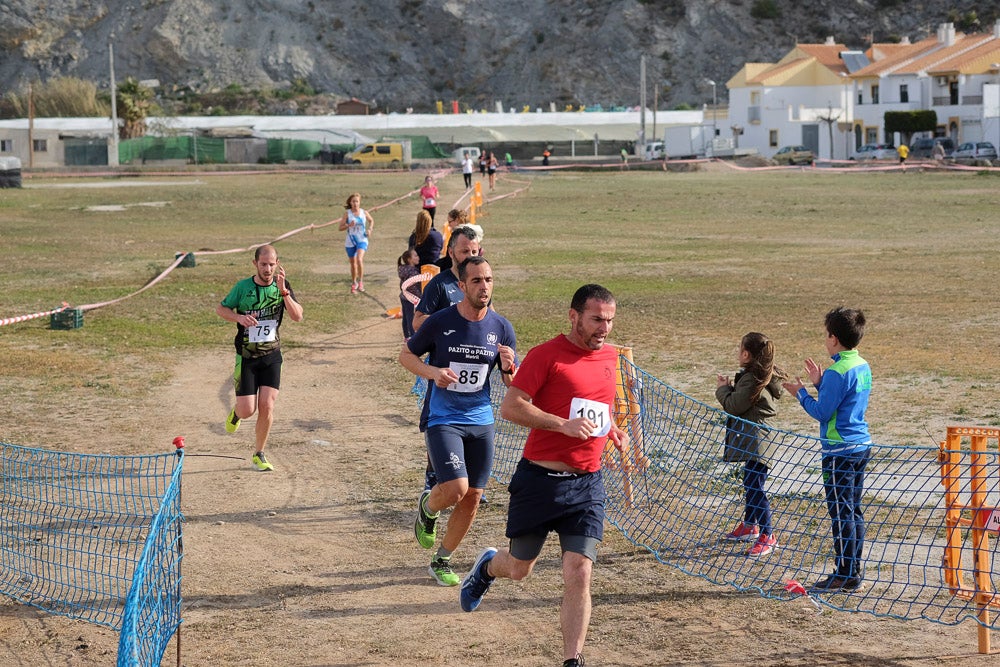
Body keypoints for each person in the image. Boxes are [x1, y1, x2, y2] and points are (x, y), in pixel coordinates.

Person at [459, 284, 629, 667]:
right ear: (574, 317)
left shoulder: (610, 357)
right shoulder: (546, 356)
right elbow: (511, 407)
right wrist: (560, 425)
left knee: (579, 572)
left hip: (587, 484)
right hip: (539, 481)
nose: (605, 328)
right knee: (519, 568)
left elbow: (598, 407)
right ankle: (487, 566)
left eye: (610, 320)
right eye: (597, 319)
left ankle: (573, 659)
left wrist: (610, 430)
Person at [400, 256, 517, 587]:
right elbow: (406, 355)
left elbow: (511, 383)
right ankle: (428, 506)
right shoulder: (440, 321)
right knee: (455, 488)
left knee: (474, 497)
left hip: (481, 420)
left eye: (489, 280)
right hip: (444, 417)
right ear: (462, 286)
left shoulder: (501, 328)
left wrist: (509, 367)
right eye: (477, 281)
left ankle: (442, 559)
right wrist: (434, 372)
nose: (484, 286)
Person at [782, 307, 872, 593]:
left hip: (839, 452)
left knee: (841, 514)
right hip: (860, 447)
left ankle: (845, 574)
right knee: (853, 511)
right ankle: (853, 571)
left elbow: (823, 412)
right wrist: (821, 383)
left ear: (834, 338)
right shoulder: (861, 365)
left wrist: (801, 393)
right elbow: (844, 401)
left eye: (826, 335)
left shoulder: (837, 371)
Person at [216, 244, 304, 472]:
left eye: (271, 264)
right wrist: (239, 317)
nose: (268, 269)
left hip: (272, 356)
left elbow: (297, 316)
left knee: (267, 405)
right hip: (247, 356)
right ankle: (236, 414)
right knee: (248, 410)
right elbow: (221, 309)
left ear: (277, 264)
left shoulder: (282, 286)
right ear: (255, 264)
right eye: (263, 264)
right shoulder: (242, 287)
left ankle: (259, 453)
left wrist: (284, 292)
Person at [716, 332, 785, 558]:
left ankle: (768, 535)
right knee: (750, 480)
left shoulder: (752, 379)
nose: (738, 353)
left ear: (746, 354)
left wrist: (723, 389)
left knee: (755, 485)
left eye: (739, 349)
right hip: (757, 441)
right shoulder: (755, 375)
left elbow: (734, 405)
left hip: (760, 443)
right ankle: (749, 526)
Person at [336, 192, 374, 294]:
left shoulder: (364, 213)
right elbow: (340, 228)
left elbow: (371, 220)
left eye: (357, 201)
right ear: (350, 203)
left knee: (359, 259)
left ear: (359, 202)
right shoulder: (347, 214)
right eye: (353, 201)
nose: (355, 203)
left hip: (362, 239)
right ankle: (354, 282)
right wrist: (348, 225)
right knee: (353, 263)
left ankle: (361, 282)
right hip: (350, 241)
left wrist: (370, 229)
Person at [397, 248, 421, 340]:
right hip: (410, 298)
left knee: (406, 317)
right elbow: (412, 287)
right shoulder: (413, 272)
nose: (418, 257)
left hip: (403, 296)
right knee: (411, 317)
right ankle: (412, 337)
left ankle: (407, 336)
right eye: (415, 256)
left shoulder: (403, 269)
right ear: (409, 260)